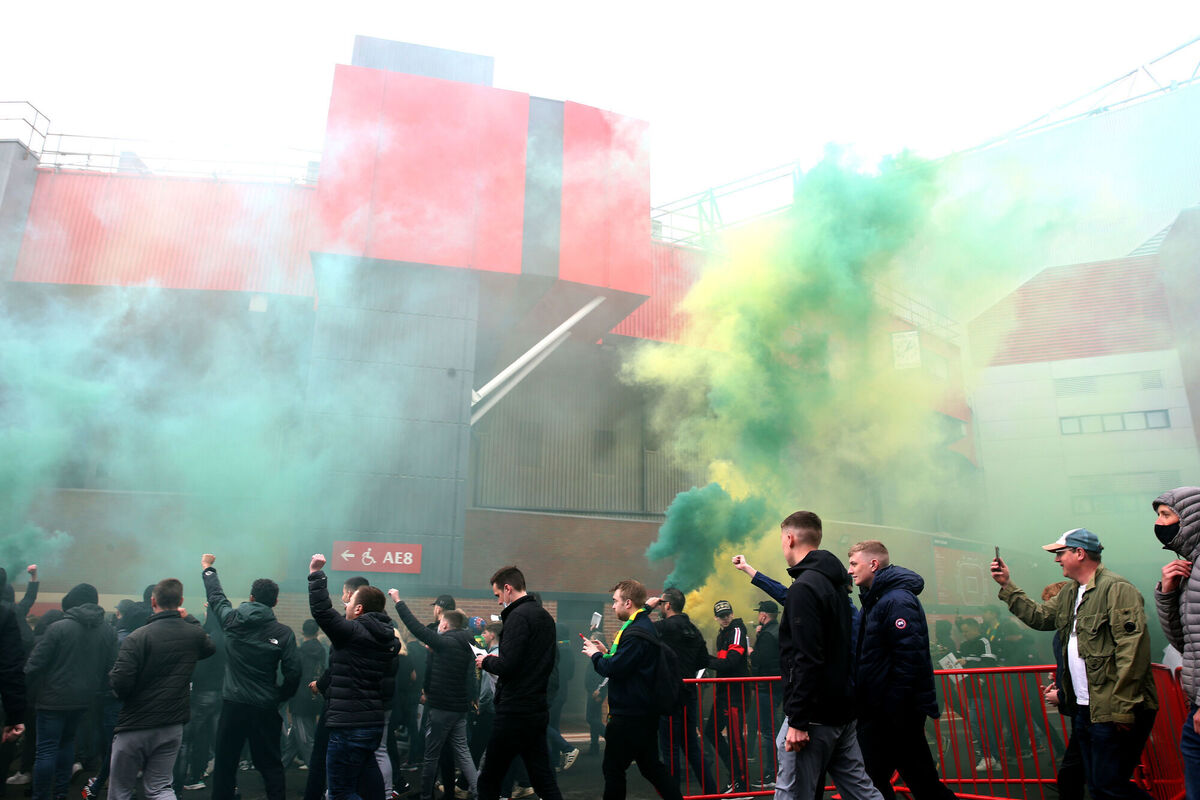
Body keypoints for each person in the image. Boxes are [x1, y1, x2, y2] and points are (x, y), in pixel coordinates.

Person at [990, 528, 1157, 800]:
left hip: (1111, 708)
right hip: (1086, 708)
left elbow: (1132, 651)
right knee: (1098, 785)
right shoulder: (1071, 592)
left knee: (1108, 785)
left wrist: (1123, 708)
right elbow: (1040, 617)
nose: (1057, 560)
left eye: (1060, 553)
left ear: (1079, 553)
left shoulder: (1117, 589)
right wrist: (1007, 586)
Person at [773, 511, 881, 800]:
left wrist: (797, 720)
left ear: (790, 538)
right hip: (842, 711)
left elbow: (807, 658)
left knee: (793, 793)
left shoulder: (805, 588)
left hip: (814, 716)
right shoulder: (836, 585)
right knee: (862, 792)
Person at [845, 540, 956, 800]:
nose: (849, 570)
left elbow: (910, 659)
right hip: (881, 711)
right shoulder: (876, 600)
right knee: (881, 778)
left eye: (853, 563)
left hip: (893, 713)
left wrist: (893, 708)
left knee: (918, 781)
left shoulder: (897, 601)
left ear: (873, 564)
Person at [202, 553, 301, 800]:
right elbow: (294, 673)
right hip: (265, 707)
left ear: (251, 597)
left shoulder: (231, 620)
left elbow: (216, 596)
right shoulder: (284, 633)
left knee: (225, 765)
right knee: (271, 766)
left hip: (233, 705)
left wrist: (208, 569)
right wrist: (279, 696)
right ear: (275, 602)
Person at [107, 578, 215, 800]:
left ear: (153, 601)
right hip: (171, 723)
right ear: (181, 601)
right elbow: (208, 646)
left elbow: (120, 682)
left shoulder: (137, 637)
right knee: (160, 788)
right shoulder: (192, 635)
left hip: (135, 723)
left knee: (121, 791)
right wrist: (190, 619)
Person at [308, 554, 399, 800]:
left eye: (348, 604)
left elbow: (323, 612)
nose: (344, 607)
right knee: (369, 786)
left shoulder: (354, 632)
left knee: (340, 792)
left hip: (349, 725)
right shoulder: (387, 637)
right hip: (371, 723)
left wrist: (316, 574)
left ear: (359, 609)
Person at [581, 580, 682, 800]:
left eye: (615, 601)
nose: (613, 606)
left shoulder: (635, 632)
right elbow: (627, 662)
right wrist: (607, 651)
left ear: (628, 603)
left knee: (614, 769)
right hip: (641, 713)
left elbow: (615, 668)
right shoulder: (641, 625)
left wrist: (595, 655)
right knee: (651, 767)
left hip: (629, 715)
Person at [475, 566, 563, 800]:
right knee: (543, 778)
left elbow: (508, 665)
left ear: (508, 588)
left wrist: (486, 661)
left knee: (489, 779)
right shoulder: (544, 617)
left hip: (514, 710)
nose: (498, 602)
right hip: (536, 707)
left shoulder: (517, 617)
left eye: (498, 595)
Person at [24, 583, 116, 800]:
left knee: (46, 750)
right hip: (84, 700)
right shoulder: (108, 631)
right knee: (67, 745)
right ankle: (61, 793)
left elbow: (33, 665)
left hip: (52, 700)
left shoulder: (58, 628)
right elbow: (112, 668)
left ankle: (41, 796)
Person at [389, 589, 478, 800]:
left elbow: (414, 626)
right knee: (463, 753)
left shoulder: (444, 642)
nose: (437, 627)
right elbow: (470, 676)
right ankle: (478, 791)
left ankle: (426, 796)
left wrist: (398, 601)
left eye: (440, 625)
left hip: (441, 708)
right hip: (459, 709)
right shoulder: (467, 643)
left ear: (445, 625)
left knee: (431, 755)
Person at [1153, 486, 1200, 800]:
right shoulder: (1191, 568)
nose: (1159, 523)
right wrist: (1167, 593)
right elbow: (1185, 643)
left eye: (1166, 514)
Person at [647, 588, 717, 796]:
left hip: (668, 695)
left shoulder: (663, 627)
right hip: (689, 695)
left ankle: (672, 796)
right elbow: (704, 660)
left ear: (667, 605)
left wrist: (645, 608)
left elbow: (634, 630)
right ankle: (712, 794)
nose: (660, 608)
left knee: (669, 752)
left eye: (661, 604)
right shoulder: (694, 630)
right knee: (692, 748)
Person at [704, 599, 750, 794]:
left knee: (735, 739)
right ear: (716, 617)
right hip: (724, 693)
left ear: (732, 613)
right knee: (711, 732)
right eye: (721, 616)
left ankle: (741, 784)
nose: (725, 618)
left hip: (735, 695)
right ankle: (735, 776)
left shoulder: (737, 631)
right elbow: (724, 663)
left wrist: (704, 660)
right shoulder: (722, 634)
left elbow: (731, 662)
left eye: (727, 614)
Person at [749, 599, 781, 789]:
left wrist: (751, 651)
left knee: (769, 732)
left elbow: (761, 660)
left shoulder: (768, 636)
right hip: (775, 687)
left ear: (763, 615)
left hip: (766, 687)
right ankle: (776, 771)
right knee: (773, 730)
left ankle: (772, 773)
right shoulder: (776, 631)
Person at [293, 619, 328, 768]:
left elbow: (294, 674)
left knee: (305, 739)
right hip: (315, 695)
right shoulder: (322, 651)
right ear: (317, 632)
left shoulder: (299, 652)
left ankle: (316, 772)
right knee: (297, 736)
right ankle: (280, 766)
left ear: (302, 632)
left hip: (300, 697)